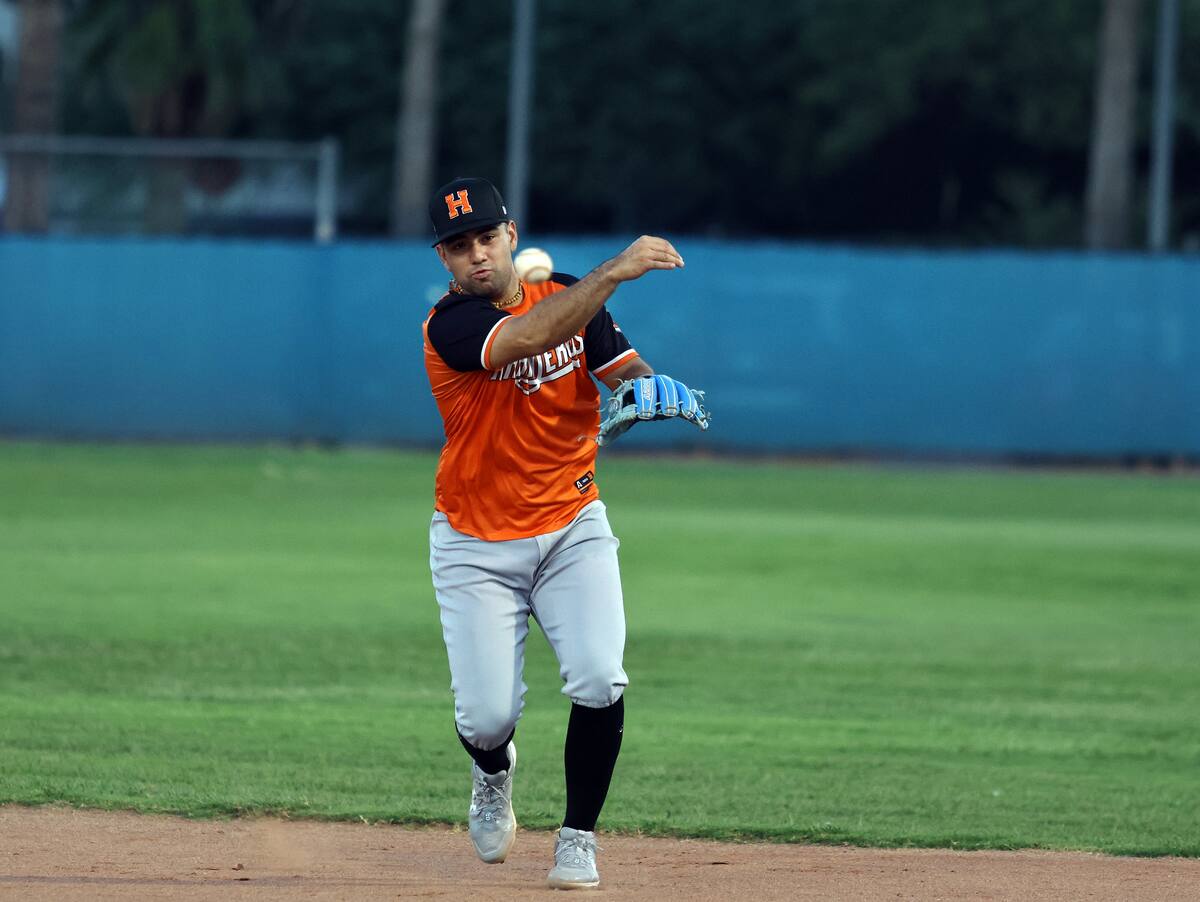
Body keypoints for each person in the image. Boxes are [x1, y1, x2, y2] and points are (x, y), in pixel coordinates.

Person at [421, 176, 701, 890]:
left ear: (510, 235)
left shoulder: (572, 295)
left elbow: (617, 363)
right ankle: (493, 771)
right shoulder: (449, 326)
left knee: (601, 676)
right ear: (445, 261)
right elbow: (527, 337)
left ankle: (578, 838)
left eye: (487, 237)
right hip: (475, 543)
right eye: (460, 246)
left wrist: (642, 383)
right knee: (486, 718)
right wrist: (613, 272)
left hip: (571, 523)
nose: (476, 255)